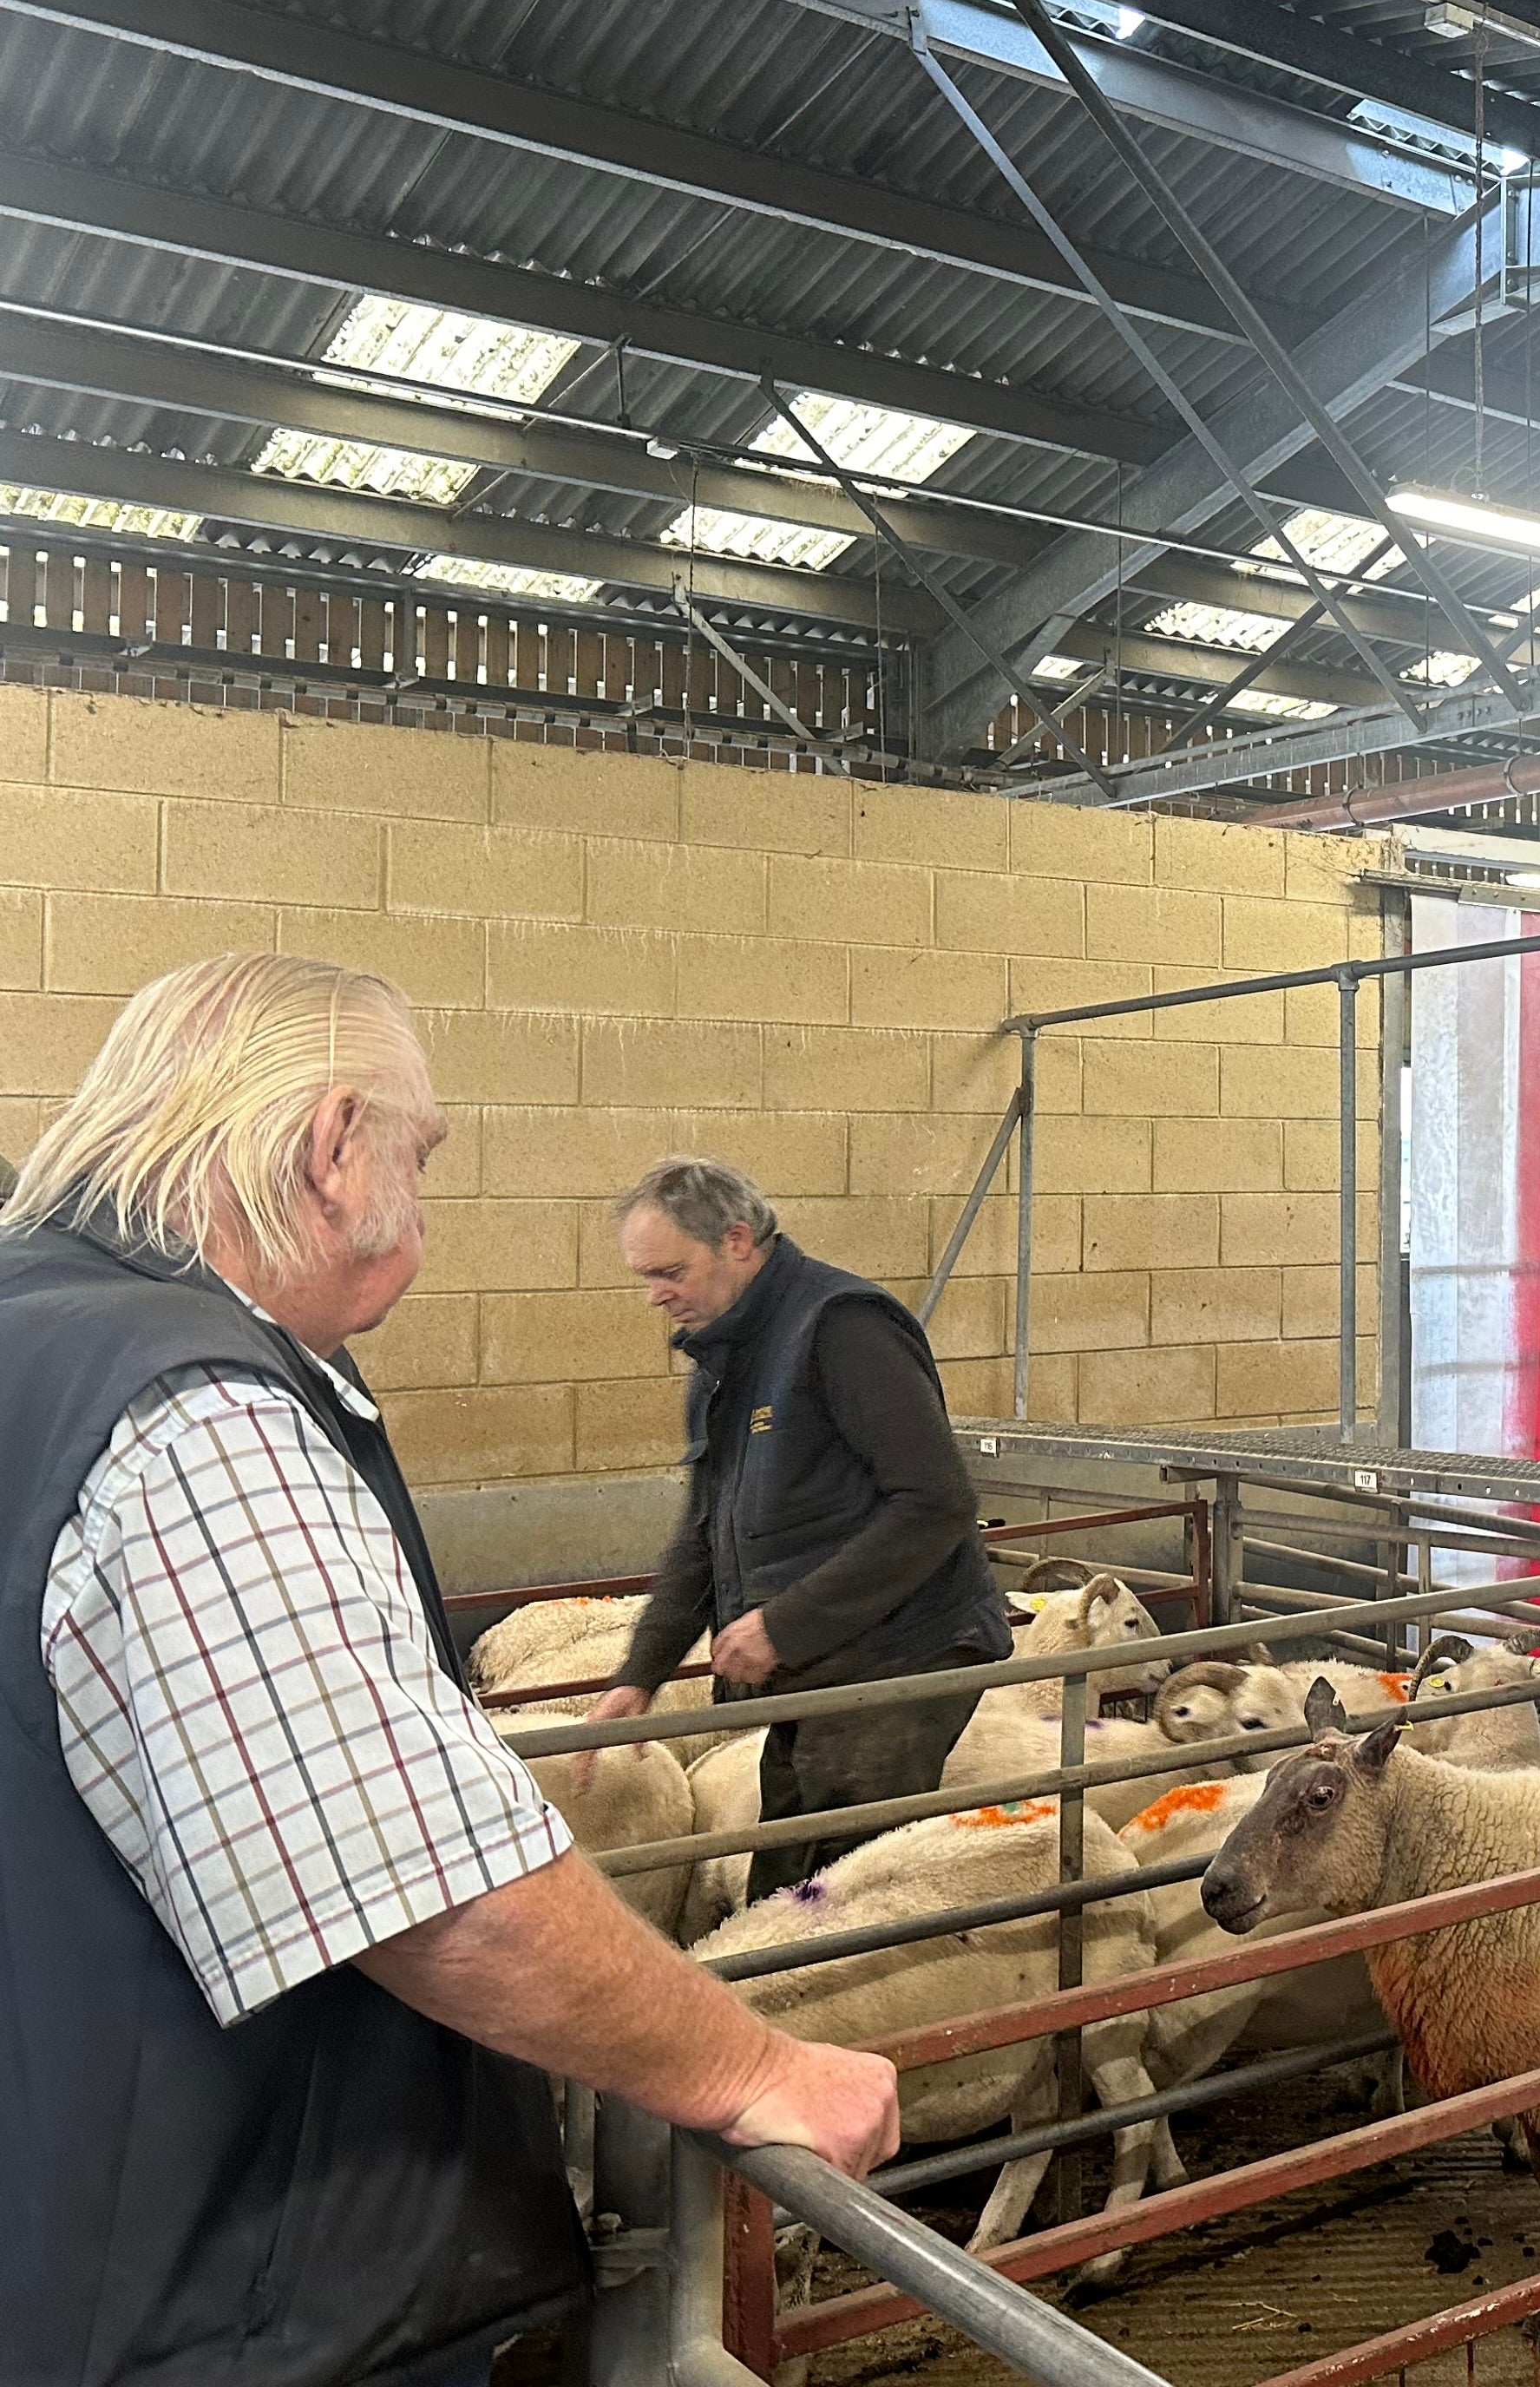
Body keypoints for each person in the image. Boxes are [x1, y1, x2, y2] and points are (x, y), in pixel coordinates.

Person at [0, 954, 895, 2387]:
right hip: (232, 2293)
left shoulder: (31, 1328)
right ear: (332, 1146)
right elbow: (427, 1891)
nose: (425, 1192)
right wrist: (752, 2066)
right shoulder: (197, 1414)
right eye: (421, 1153)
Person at [590, 1158, 1012, 1898]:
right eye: (646, 1277)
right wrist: (640, 1675)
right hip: (821, 1666)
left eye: (670, 1272)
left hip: (898, 1659)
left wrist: (782, 1626)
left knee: (838, 1900)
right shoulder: (728, 1358)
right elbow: (704, 1531)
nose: (656, 1296)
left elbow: (934, 1503)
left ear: (738, 1242)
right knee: (785, 1886)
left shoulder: (842, 1327)